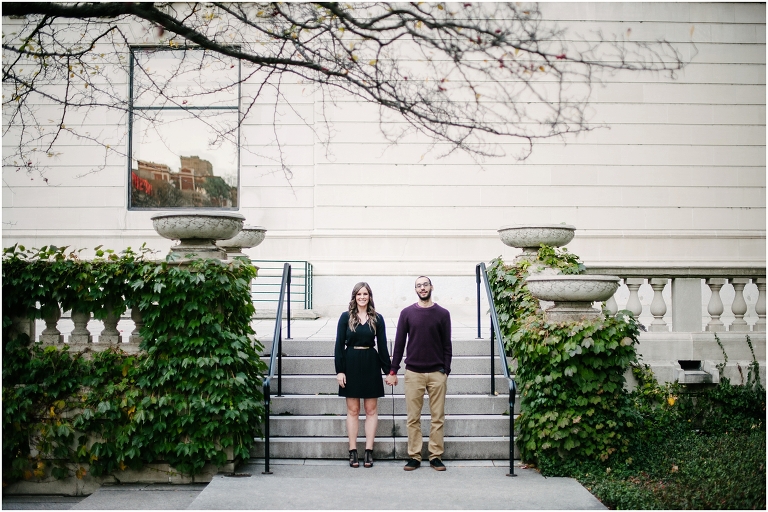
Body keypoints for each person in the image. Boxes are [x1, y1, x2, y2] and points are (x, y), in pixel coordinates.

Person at [386, 276, 452, 471]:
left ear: (431, 287)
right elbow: (399, 344)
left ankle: (435, 456)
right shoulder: (407, 313)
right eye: (418, 286)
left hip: (437, 373)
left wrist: (446, 370)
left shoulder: (443, 314)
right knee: (413, 418)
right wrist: (393, 370)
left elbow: (447, 345)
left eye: (425, 285)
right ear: (415, 290)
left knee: (437, 417)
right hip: (413, 373)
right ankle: (414, 456)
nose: (422, 288)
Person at [335, 282, 392, 468]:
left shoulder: (377, 318)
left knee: (371, 410)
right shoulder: (345, 317)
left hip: (370, 363)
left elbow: (382, 346)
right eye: (359, 294)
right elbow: (339, 345)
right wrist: (340, 371)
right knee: (353, 410)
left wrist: (389, 371)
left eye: (365, 294)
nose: (362, 297)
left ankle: (368, 451)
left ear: (370, 296)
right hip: (350, 362)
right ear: (354, 296)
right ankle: (352, 450)